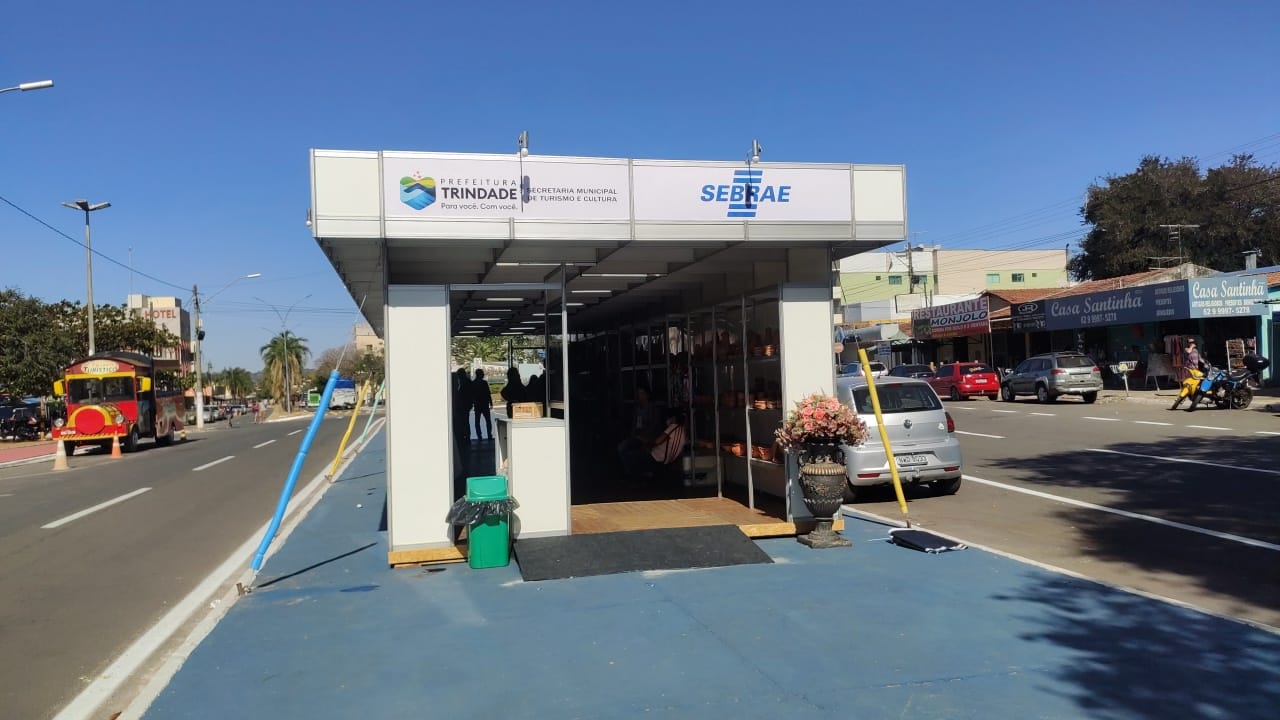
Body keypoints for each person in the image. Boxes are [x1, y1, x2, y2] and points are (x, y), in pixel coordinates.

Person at [619, 408, 687, 482]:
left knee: (627, 454)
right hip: (666, 459)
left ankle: (636, 477)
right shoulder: (682, 430)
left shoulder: (673, 427)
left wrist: (644, 440)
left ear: (673, 418)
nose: (667, 420)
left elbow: (657, 441)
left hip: (656, 458)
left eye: (668, 418)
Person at [470, 369, 493, 441]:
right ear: (481, 374)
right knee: (488, 421)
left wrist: (472, 403)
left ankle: (479, 436)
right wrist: (491, 403)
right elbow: (488, 393)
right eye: (482, 374)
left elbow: (471, 395)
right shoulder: (484, 383)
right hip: (485, 404)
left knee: (477, 421)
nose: (483, 375)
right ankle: (489, 435)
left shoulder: (473, 383)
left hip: (477, 404)